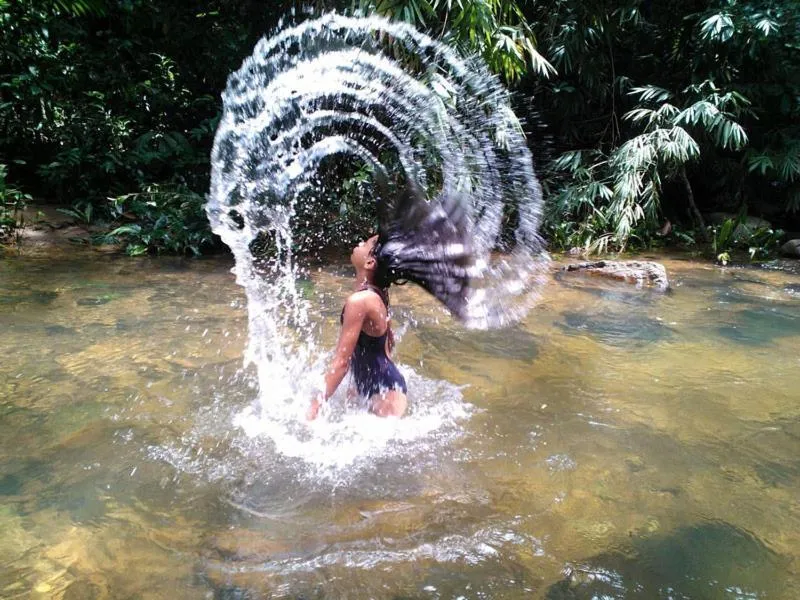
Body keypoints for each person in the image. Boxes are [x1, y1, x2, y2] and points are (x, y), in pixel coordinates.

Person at [306, 234, 408, 420]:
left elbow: (342, 362)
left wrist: (314, 408)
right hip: (387, 388)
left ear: (370, 263)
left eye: (366, 243)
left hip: (384, 398)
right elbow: (386, 346)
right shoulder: (377, 294)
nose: (360, 242)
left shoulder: (360, 301)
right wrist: (357, 387)